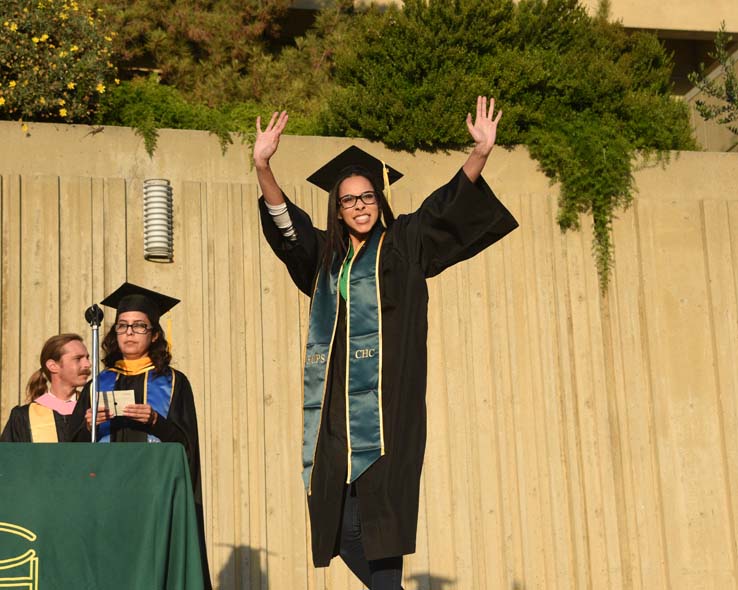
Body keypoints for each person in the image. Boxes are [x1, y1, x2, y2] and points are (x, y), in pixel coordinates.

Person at [253, 96, 519, 589]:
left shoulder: (404, 242)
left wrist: (479, 154)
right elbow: (286, 225)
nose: (359, 206)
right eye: (349, 199)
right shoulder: (324, 259)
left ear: (380, 200)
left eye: (368, 197)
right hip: (333, 417)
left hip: (388, 410)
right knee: (342, 520)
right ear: (337, 207)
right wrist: (263, 165)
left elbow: (446, 206)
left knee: (381, 520)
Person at [68, 282, 211, 589]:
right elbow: (71, 451)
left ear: (154, 334)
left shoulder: (173, 382)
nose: (129, 332)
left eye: (139, 326)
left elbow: (188, 447)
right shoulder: (98, 383)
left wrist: (156, 421)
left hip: (154, 497)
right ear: (113, 333)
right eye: (122, 326)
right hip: (104, 498)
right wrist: (87, 425)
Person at [1, 333, 91, 442]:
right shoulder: (23, 417)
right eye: (78, 358)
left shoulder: (93, 412)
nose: (87, 364)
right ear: (53, 366)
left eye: (87, 358)